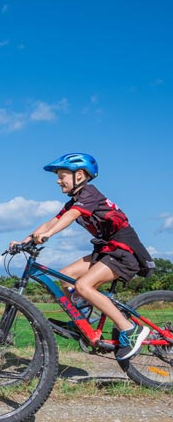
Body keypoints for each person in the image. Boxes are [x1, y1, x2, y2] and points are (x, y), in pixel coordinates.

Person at [13, 152, 151, 361]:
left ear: (79, 175)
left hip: (124, 251)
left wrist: (48, 235)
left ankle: (130, 330)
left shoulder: (90, 193)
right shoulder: (75, 200)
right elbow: (52, 221)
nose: (58, 181)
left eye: (62, 176)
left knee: (83, 286)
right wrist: (25, 240)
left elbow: (71, 216)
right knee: (64, 275)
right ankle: (82, 319)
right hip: (106, 250)